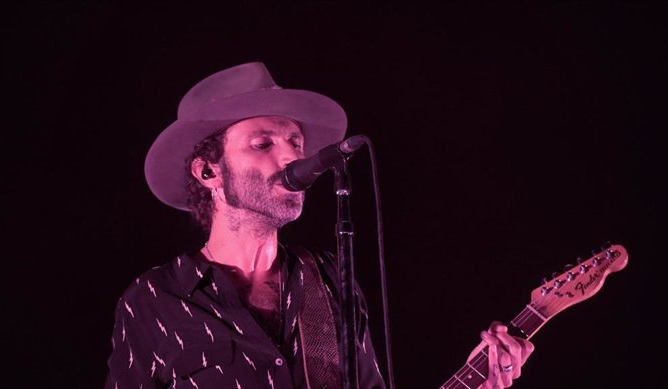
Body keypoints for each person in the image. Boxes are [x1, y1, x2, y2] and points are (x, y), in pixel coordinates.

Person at [104, 62, 534, 389]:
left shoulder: (329, 281)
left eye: (296, 143)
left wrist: (482, 378)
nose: (292, 158)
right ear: (208, 173)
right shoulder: (154, 300)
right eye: (263, 144)